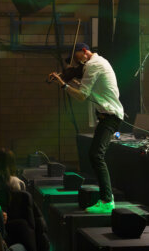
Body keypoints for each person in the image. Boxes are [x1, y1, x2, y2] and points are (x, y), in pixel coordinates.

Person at [49, 43, 123, 214]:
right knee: (95, 155)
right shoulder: (98, 63)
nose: (76, 64)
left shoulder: (93, 65)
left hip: (110, 115)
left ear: (84, 52)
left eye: (77, 59)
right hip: (108, 115)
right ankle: (106, 198)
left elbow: (82, 96)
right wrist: (73, 79)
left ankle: (107, 200)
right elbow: (88, 85)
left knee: (96, 155)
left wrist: (63, 84)